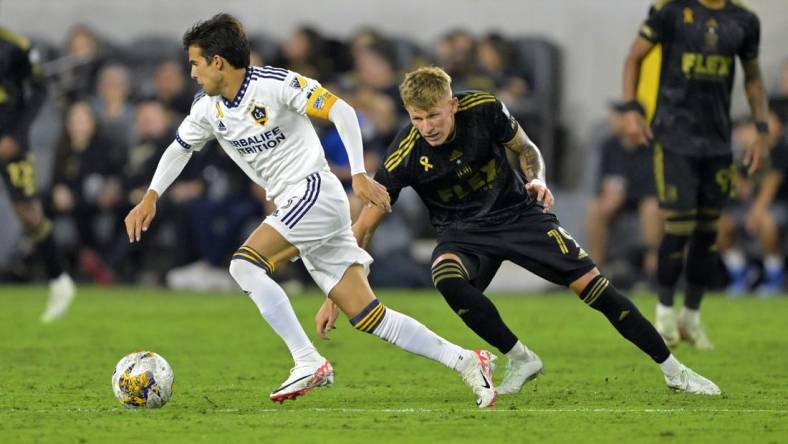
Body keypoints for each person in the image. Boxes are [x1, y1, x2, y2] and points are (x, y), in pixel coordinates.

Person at [124, 14, 497, 408]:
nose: (192, 73)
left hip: (315, 191)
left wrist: (358, 173)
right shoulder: (207, 109)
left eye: (196, 63)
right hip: (299, 205)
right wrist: (152, 195)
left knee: (244, 265)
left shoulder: (275, 84)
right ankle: (468, 361)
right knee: (369, 316)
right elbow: (179, 148)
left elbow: (342, 111)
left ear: (218, 62)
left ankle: (307, 360)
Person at [328, 66, 721, 397]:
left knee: (596, 290)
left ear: (453, 104)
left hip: (518, 214)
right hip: (463, 233)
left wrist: (538, 179)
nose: (426, 126)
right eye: (416, 117)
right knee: (446, 276)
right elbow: (365, 225)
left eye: (434, 115)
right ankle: (520, 357)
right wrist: (338, 290)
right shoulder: (405, 154)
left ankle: (674, 371)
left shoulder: (483, 109)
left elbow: (526, 148)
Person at [621, 0, 770, 350]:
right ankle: (664, 314)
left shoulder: (744, 20)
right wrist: (631, 109)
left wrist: (761, 130)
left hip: (718, 142)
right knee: (679, 225)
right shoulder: (672, 11)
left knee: (708, 231)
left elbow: (752, 76)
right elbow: (634, 57)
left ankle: (691, 317)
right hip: (674, 137)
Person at [0, 26, 75, 321]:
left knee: (29, 215)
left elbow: (40, 89)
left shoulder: (14, 46)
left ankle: (60, 281)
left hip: (10, 140)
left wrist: (16, 137)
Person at [585, 104, 661, 285]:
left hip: (645, 200)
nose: (615, 120)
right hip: (618, 202)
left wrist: (623, 193)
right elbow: (603, 180)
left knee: (651, 207)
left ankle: (652, 271)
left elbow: (655, 186)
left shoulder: (652, 147)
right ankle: (597, 271)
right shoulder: (609, 146)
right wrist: (608, 198)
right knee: (595, 209)